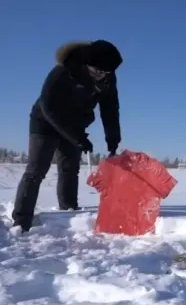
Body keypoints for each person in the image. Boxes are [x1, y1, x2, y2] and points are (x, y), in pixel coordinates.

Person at [12, 40, 123, 232]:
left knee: (70, 169)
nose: (101, 76)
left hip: (75, 124)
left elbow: (110, 109)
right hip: (45, 122)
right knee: (36, 171)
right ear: (86, 63)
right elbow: (49, 107)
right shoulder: (62, 73)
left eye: (106, 73)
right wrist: (76, 138)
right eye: (97, 71)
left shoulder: (108, 78)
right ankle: (21, 222)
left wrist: (112, 139)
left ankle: (68, 211)